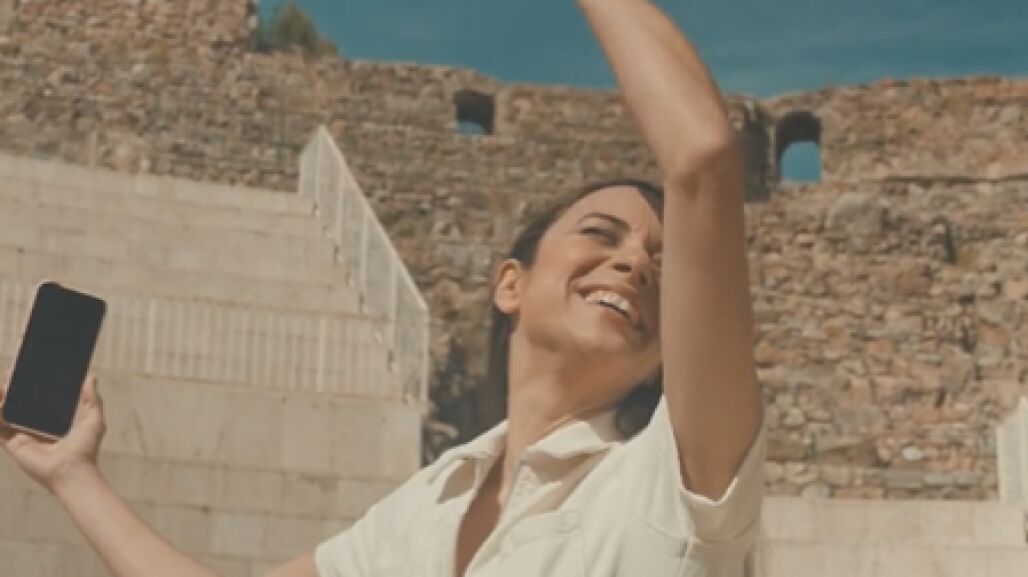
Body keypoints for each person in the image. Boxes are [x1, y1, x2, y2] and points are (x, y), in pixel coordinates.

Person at [0, 0, 765, 575]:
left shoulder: (680, 477)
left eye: (664, 262)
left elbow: (701, 155)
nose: (636, 264)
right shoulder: (428, 504)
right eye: (602, 234)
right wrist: (73, 474)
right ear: (510, 282)